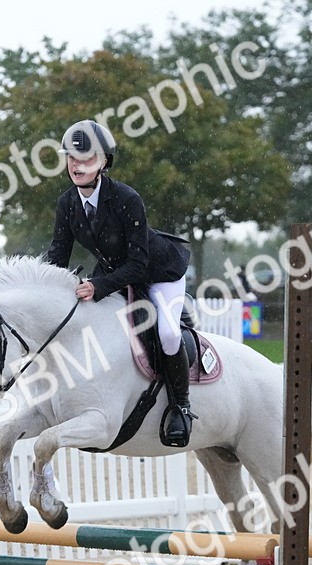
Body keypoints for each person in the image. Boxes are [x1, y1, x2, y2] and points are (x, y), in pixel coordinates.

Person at [45, 120, 196, 447]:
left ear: (103, 162)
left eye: (86, 158)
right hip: (115, 272)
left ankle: (181, 407)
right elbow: (57, 256)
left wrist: (98, 286)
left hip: (159, 273)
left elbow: (139, 264)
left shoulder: (127, 198)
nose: (77, 164)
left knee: (169, 332)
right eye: (72, 157)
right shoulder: (67, 203)